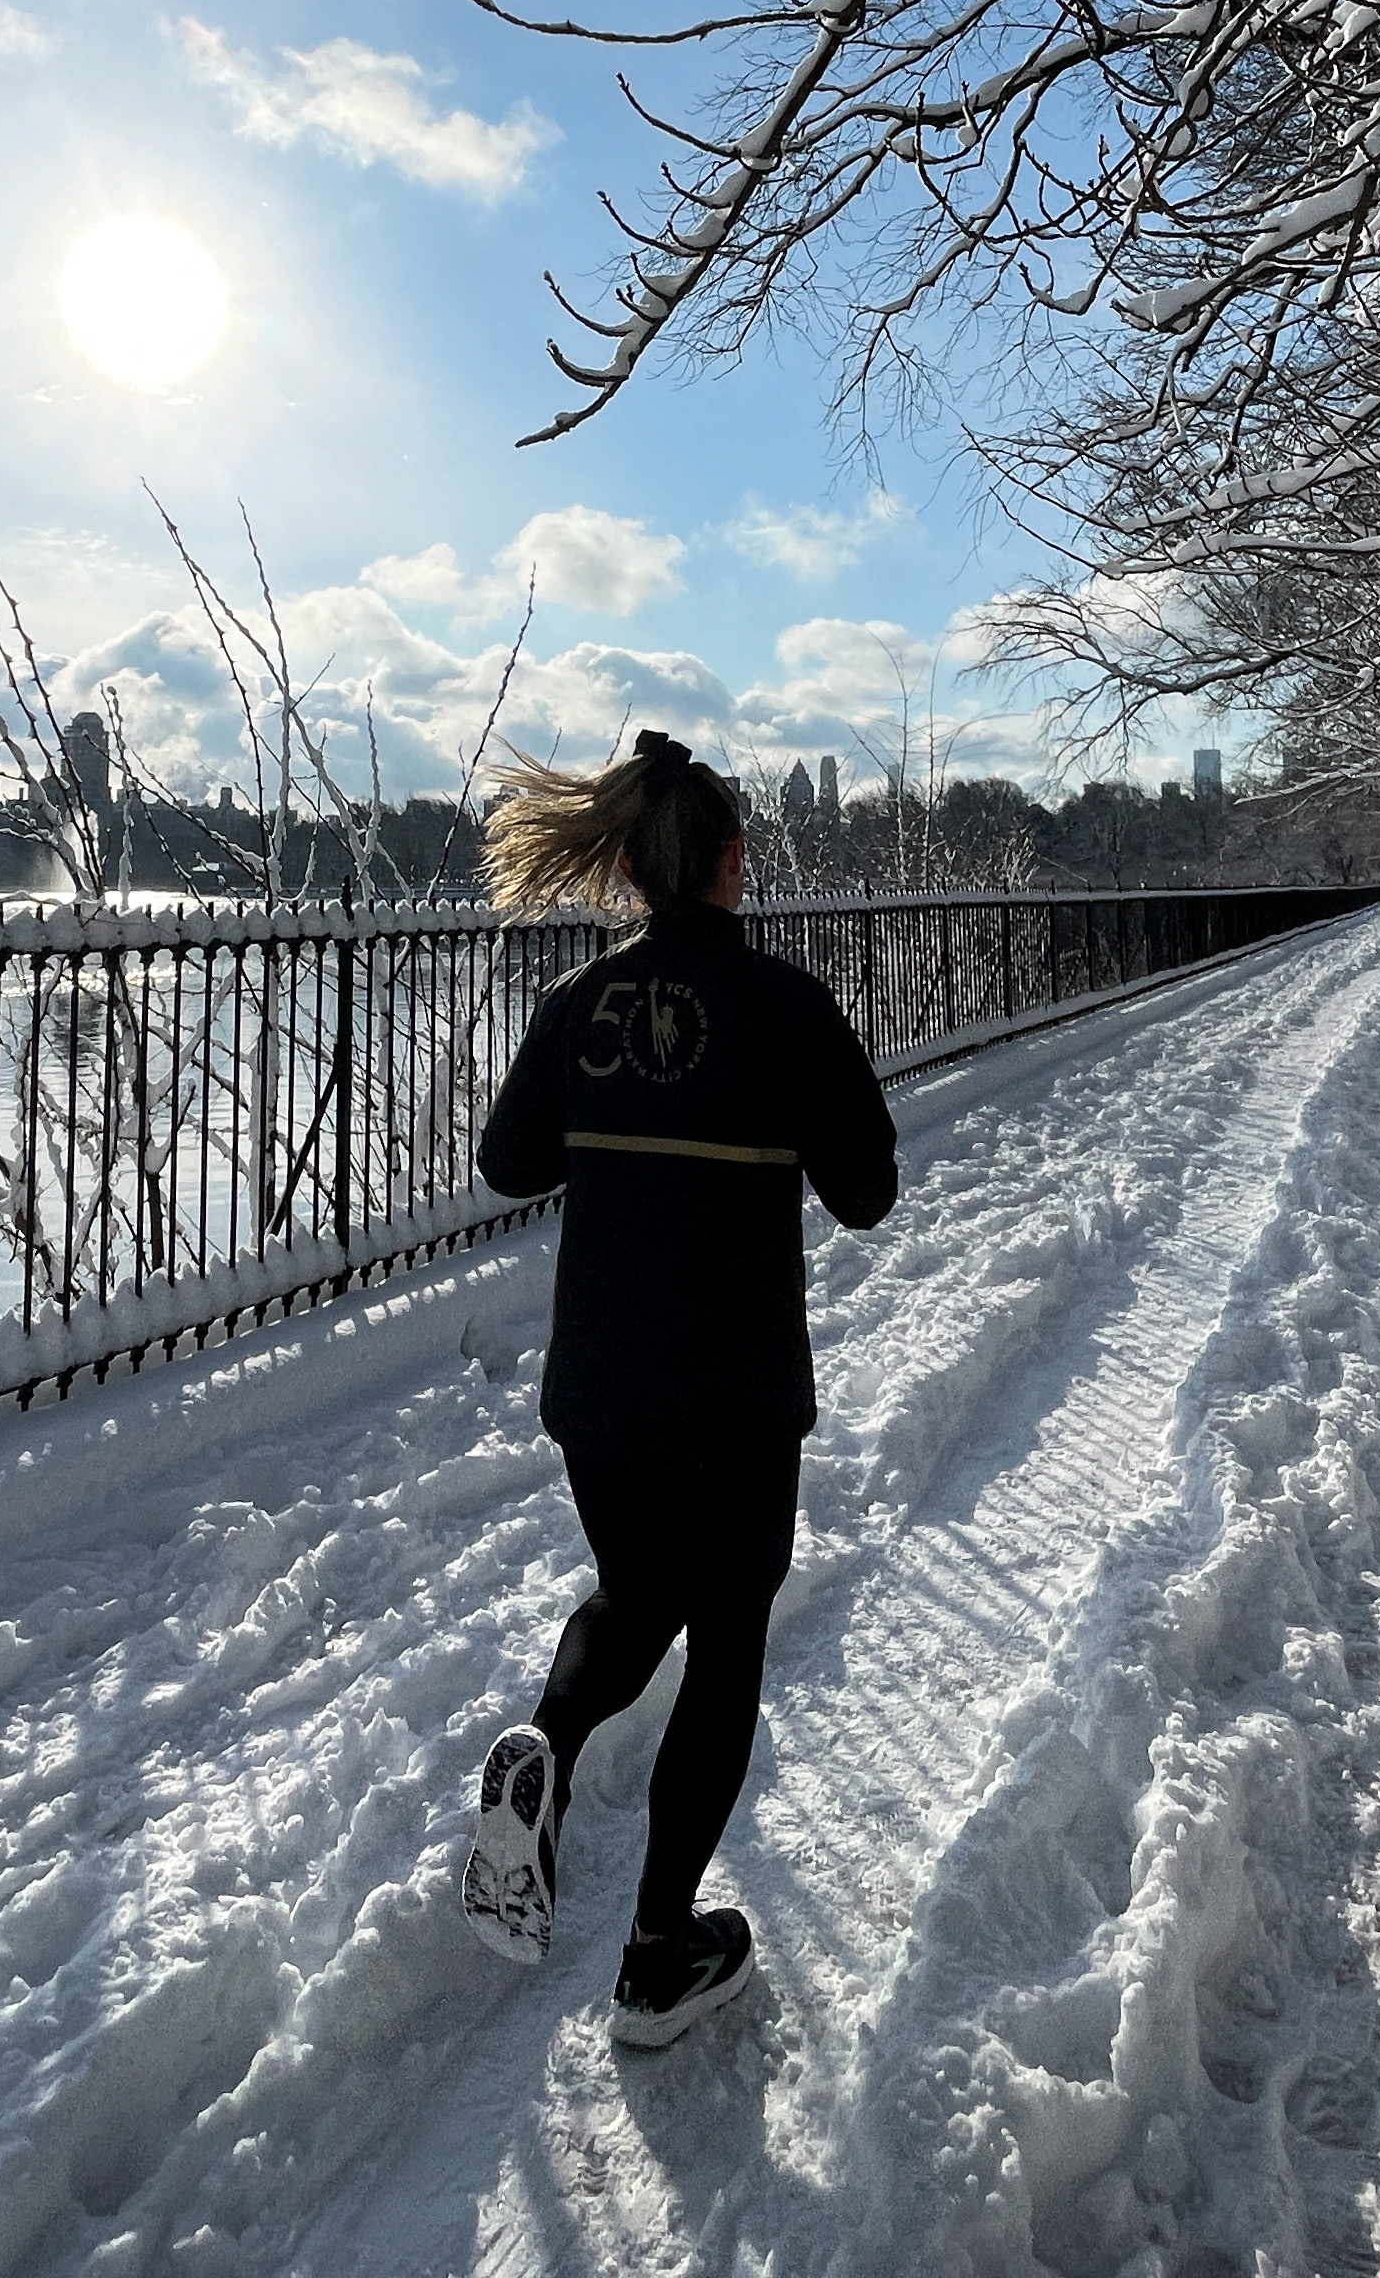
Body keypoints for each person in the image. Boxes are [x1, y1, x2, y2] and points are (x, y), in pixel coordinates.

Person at [458, 729, 899, 2046]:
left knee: (639, 1591)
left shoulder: (582, 1004)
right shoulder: (782, 1005)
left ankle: (549, 1742)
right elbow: (866, 1194)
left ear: (634, 865)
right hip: (738, 1400)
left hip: (599, 1394)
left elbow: (508, 1161)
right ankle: (658, 1958)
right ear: (729, 861)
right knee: (727, 1638)